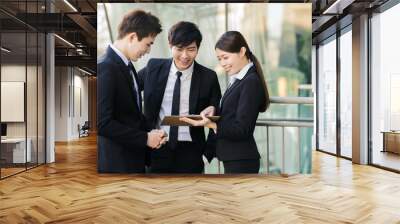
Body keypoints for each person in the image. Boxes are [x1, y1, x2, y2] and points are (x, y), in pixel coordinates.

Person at [181, 31, 270, 174]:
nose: (222, 64)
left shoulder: (250, 81)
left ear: (242, 51)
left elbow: (243, 129)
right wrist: (214, 109)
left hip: (241, 160)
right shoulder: (239, 79)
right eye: (219, 59)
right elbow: (232, 113)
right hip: (234, 158)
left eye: (225, 57)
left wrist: (211, 124)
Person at [138, 21, 221, 173]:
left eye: (191, 49)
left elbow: (218, 116)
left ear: (198, 49)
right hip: (157, 146)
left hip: (192, 152)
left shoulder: (209, 77)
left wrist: (207, 154)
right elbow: (129, 89)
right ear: (170, 46)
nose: (185, 56)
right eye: (179, 49)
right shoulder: (153, 68)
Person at [97, 10, 166, 173]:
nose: (148, 51)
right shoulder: (105, 67)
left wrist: (152, 132)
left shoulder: (127, 65)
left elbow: (130, 114)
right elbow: (102, 123)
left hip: (131, 159)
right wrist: (146, 138)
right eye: (148, 44)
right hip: (117, 164)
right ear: (133, 37)